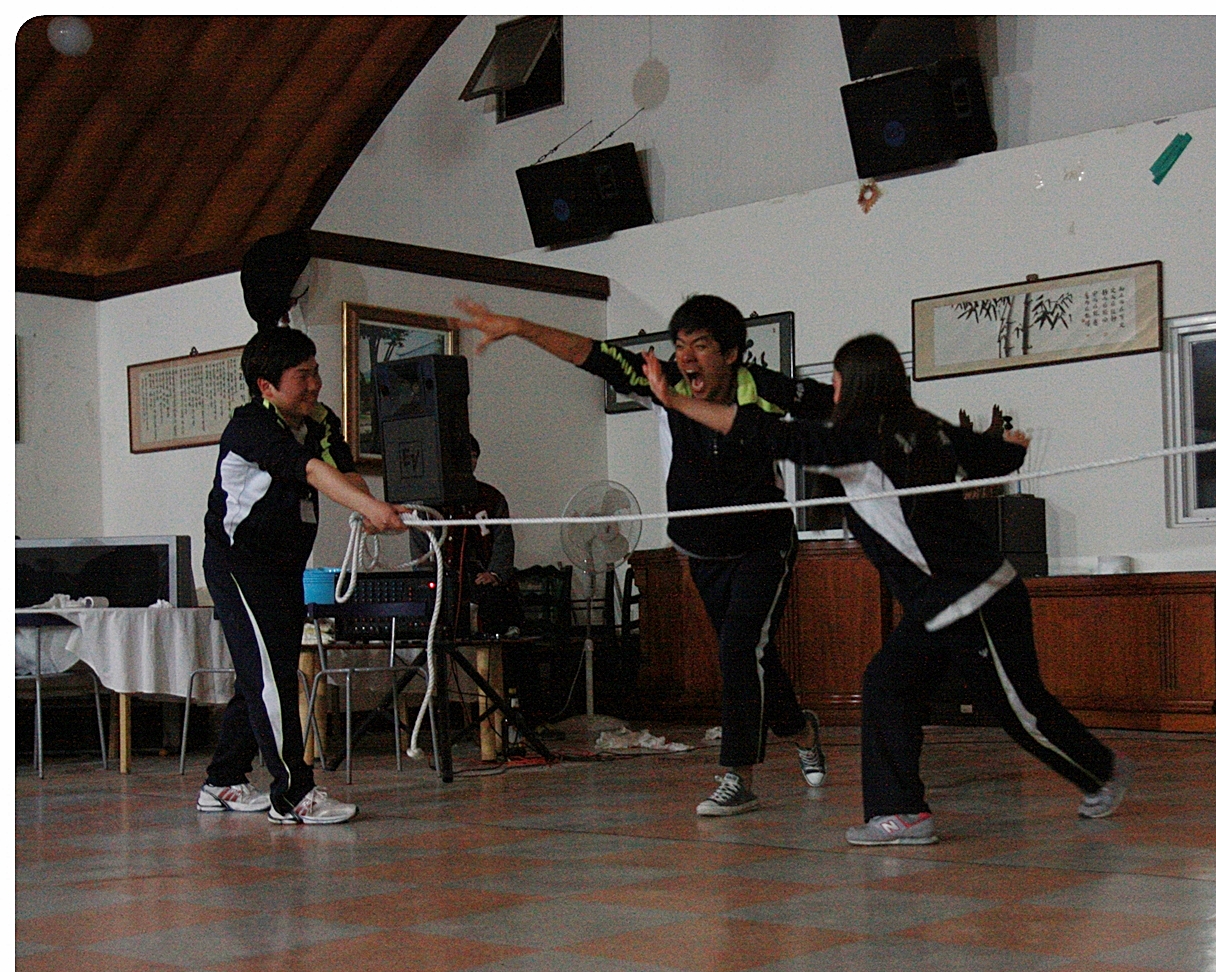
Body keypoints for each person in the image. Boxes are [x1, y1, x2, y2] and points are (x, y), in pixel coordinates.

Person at [644, 334, 1133, 845]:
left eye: (835, 381)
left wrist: (675, 400)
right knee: (887, 685)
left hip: (976, 598)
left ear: (851, 386)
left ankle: (1102, 772)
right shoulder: (922, 426)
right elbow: (992, 458)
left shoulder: (859, 441)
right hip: (939, 606)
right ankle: (902, 813)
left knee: (1018, 709)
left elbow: (766, 433)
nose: (831, 391)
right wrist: (1013, 448)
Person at [454, 295, 829, 815]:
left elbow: (846, 406)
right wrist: (519, 325)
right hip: (701, 548)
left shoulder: (767, 390)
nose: (687, 358)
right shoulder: (663, 380)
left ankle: (737, 776)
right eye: (680, 346)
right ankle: (800, 729)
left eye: (701, 346)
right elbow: (591, 354)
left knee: (740, 649)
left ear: (732, 353)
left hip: (762, 543)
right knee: (749, 654)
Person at [199, 325, 409, 824]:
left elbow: (342, 468)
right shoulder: (251, 426)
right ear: (266, 386)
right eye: (302, 375)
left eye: (316, 372)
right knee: (271, 679)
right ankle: (293, 795)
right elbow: (311, 470)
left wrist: (371, 508)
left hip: (283, 569)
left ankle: (222, 780)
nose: (315, 384)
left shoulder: (320, 420)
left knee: (261, 673)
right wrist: (369, 508)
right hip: (239, 568)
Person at [411, 435, 522, 637]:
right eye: (464, 456)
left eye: (473, 456)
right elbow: (420, 549)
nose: (470, 461)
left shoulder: (491, 498)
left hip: (482, 585)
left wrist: (495, 574)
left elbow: (504, 541)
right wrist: (427, 579)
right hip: (442, 587)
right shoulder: (426, 504)